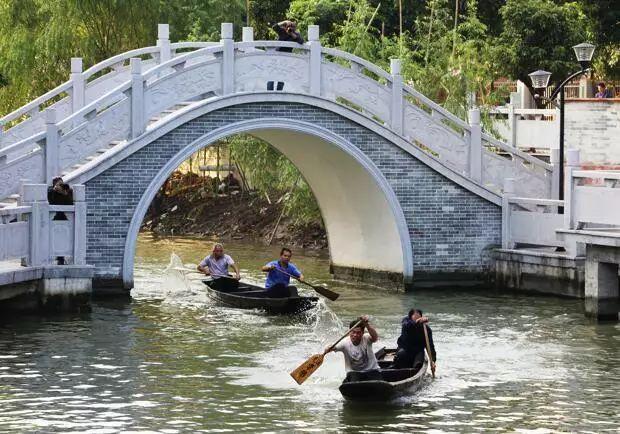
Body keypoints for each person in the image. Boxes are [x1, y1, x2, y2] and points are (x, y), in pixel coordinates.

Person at [326, 315, 382, 382]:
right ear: (349, 332)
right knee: (353, 379)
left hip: (372, 370)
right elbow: (333, 347)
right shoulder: (344, 343)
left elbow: (375, 337)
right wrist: (328, 348)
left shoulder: (367, 338)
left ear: (362, 333)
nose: (355, 335)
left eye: (358, 333)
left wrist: (366, 324)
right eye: (353, 332)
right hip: (354, 373)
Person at [392, 308, 436, 373]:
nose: (418, 320)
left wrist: (433, 361)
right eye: (415, 318)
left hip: (418, 351)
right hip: (405, 349)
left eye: (419, 318)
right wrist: (417, 321)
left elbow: (430, 346)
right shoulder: (406, 323)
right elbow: (408, 325)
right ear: (410, 318)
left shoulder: (426, 329)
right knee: (400, 356)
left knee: (418, 364)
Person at [268, 20, 304, 91]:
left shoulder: (295, 35)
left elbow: (301, 41)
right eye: (289, 26)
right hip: (276, 57)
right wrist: (284, 22)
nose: (290, 28)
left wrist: (292, 34)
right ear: (285, 26)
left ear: (295, 27)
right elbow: (274, 27)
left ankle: (279, 94)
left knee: (282, 77)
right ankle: (269, 93)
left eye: (292, 26)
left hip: (286, 59)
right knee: (272, 76)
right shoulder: (282, 32)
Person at [47, 177, 74, 265]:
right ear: (54, 185)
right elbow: (51, 200)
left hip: (64, 219)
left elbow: (70, 203)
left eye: (61, 184)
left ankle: (61, 258)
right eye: (58, 184)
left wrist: (65, 193)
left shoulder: (67, 191)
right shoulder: (50, 190)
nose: (60, 186)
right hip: (53, 219)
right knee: (54, 239)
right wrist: (55, 191)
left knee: (63, 239)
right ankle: (55, 257)